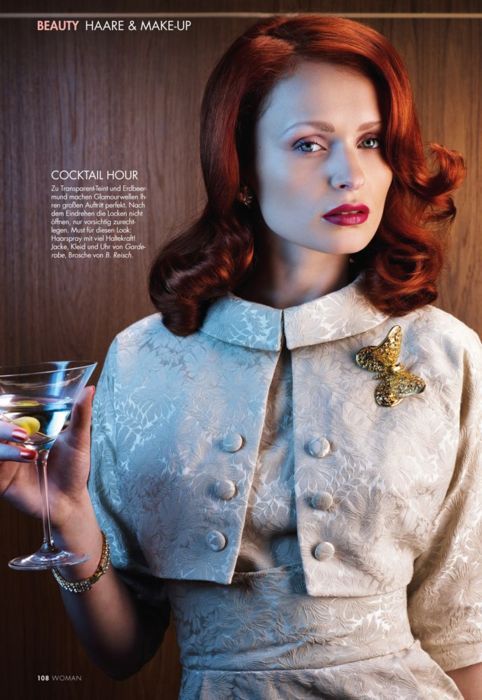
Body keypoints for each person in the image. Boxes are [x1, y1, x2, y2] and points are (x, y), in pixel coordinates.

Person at [1, 14, 481, 700]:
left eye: (371, 140)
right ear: (243, 167)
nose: (351, 174)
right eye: (310, 143)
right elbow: (121, 652)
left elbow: (464, 635)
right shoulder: (141, 358)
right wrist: (69, 514)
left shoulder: (447, 353)